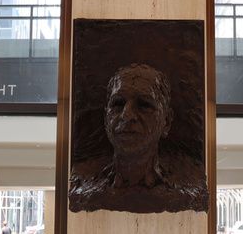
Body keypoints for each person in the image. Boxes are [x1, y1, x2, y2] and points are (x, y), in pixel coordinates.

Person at [68, 63, 208, 213]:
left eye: (144, 105)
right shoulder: (82, 181)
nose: (126, 115)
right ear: (105, 117)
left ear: (166, 121)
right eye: (118, 104)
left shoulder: (189, 184)